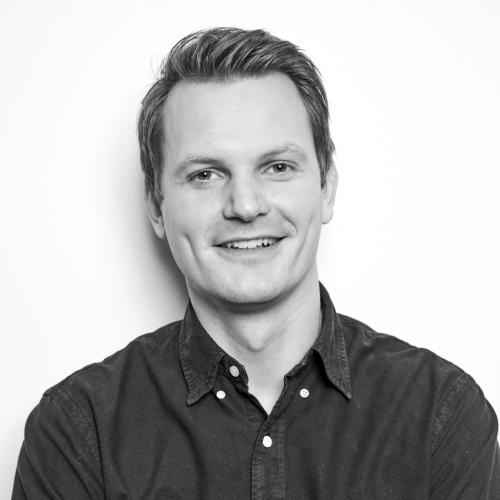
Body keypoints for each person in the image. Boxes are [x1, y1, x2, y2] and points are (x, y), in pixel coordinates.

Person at [13, 27, 499, 499]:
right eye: (205, 174)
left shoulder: (440, 415)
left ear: (326, 188)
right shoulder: (80, 432)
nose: (245, 206)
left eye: (278, 167)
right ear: (157, 207)